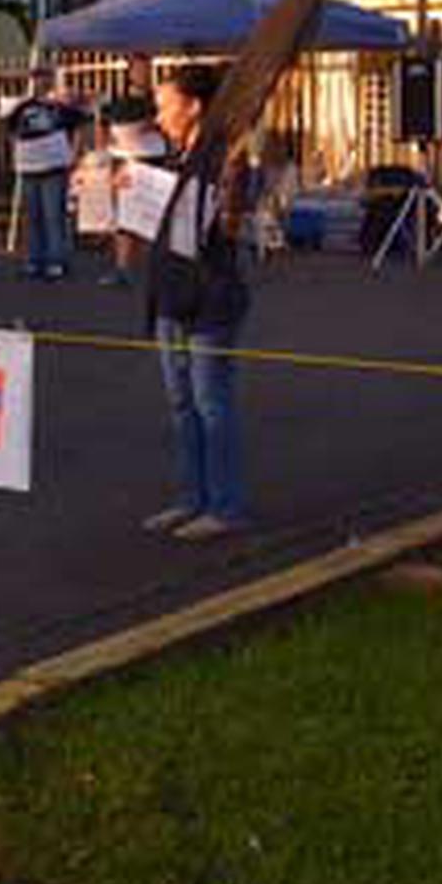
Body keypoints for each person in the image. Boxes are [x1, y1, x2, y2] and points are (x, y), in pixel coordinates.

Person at [133, 62, 254, 543]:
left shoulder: (226, 156)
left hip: (210, 297)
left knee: (210, 402)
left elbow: (227, 226)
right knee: (181, 403)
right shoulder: (176, 156)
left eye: (165, 107)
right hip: (168, 293)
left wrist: (231, 187)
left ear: (194, 106)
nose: (158, 118)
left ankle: (225, 506)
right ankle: (191, 499)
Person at [4, 69, 86, 281]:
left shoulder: (59, 107)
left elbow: (79, 126)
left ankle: (56, 261)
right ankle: (34, 260)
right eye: (37, 78)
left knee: (53, 215)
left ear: (51, 81)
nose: (41, 82)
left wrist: (74, 155)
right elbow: (11, 131)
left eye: (45, 78)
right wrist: (18, 155)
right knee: (32, 216)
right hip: (30, 168)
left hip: (54, 168)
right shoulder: (23, 107)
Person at [94, 58, 168, 287]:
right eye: (138, 69)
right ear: (130, 73)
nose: (143, 73)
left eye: (146, 69)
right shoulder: (118, 100)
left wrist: (154, 124)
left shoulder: (158, 99)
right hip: (125, 162)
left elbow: (168, 125)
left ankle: (159, 268)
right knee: (124, 218)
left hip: (154, 161)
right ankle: (122, 269)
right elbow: (103, 124)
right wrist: (103, 152)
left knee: (154, 217)